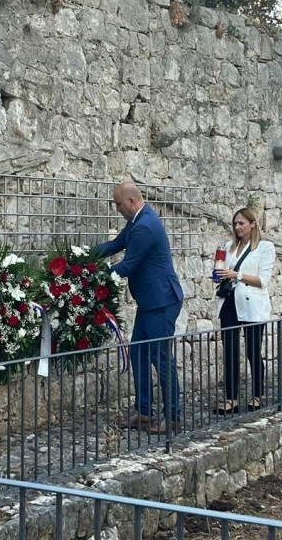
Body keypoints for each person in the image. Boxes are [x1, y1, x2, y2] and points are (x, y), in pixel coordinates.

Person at [96, 182, 184, 434]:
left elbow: (126, 266)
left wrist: (93, 277)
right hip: (150, 302)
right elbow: (114, 245)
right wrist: (82, 257)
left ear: (131, 201)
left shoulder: (145, 225)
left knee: (161, 358)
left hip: (162, 301)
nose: (117, 208)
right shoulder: (137, 220)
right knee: (138, 353)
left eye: (118, 203)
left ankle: (173, 417)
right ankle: (144, 412)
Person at [215, 208, 276, 415]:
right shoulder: (229, 246)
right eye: (235, 224)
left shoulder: (264, 247)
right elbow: (224, 271)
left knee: (252, 350)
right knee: (230, 351)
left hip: (252, 303)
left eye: (241, 223)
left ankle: (257, 395)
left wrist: (236, 274)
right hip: (230, 301)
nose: (238, 227)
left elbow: (263, 280)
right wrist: (220, 276)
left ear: (253, 224)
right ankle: (231, 398)